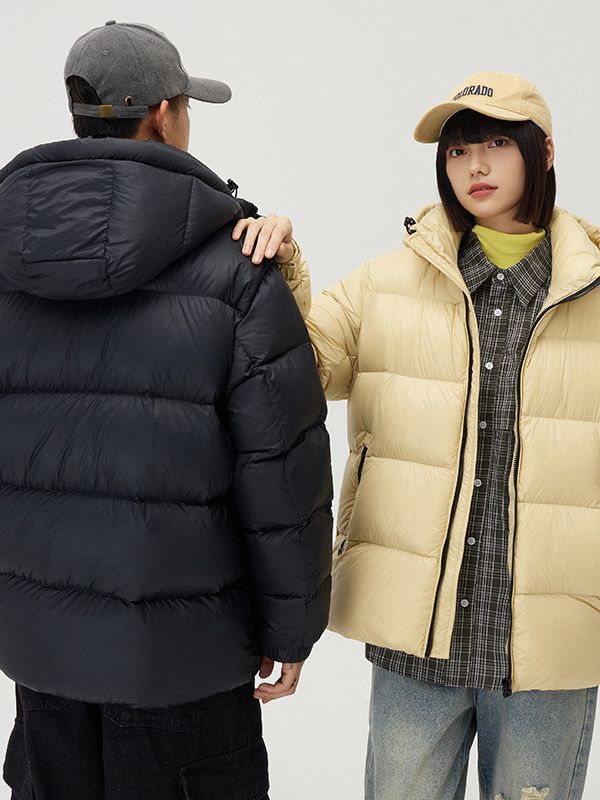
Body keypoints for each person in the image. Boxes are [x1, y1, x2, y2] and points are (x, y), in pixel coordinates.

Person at [236, 71, 600, 799]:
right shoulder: (383, 284)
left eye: (495, 144)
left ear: (545, 152)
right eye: (458, 151)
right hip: (417, 638)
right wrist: (284, 268)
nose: (475, 166)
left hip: (552, 645)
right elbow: (296, 373)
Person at [0, 20, 333, 800]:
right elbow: (279, 471)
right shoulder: (238, 272)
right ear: (162, 115)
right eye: (186, 107)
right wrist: (292, 628)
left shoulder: (9, 265)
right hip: (184, 665)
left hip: (41, 657)